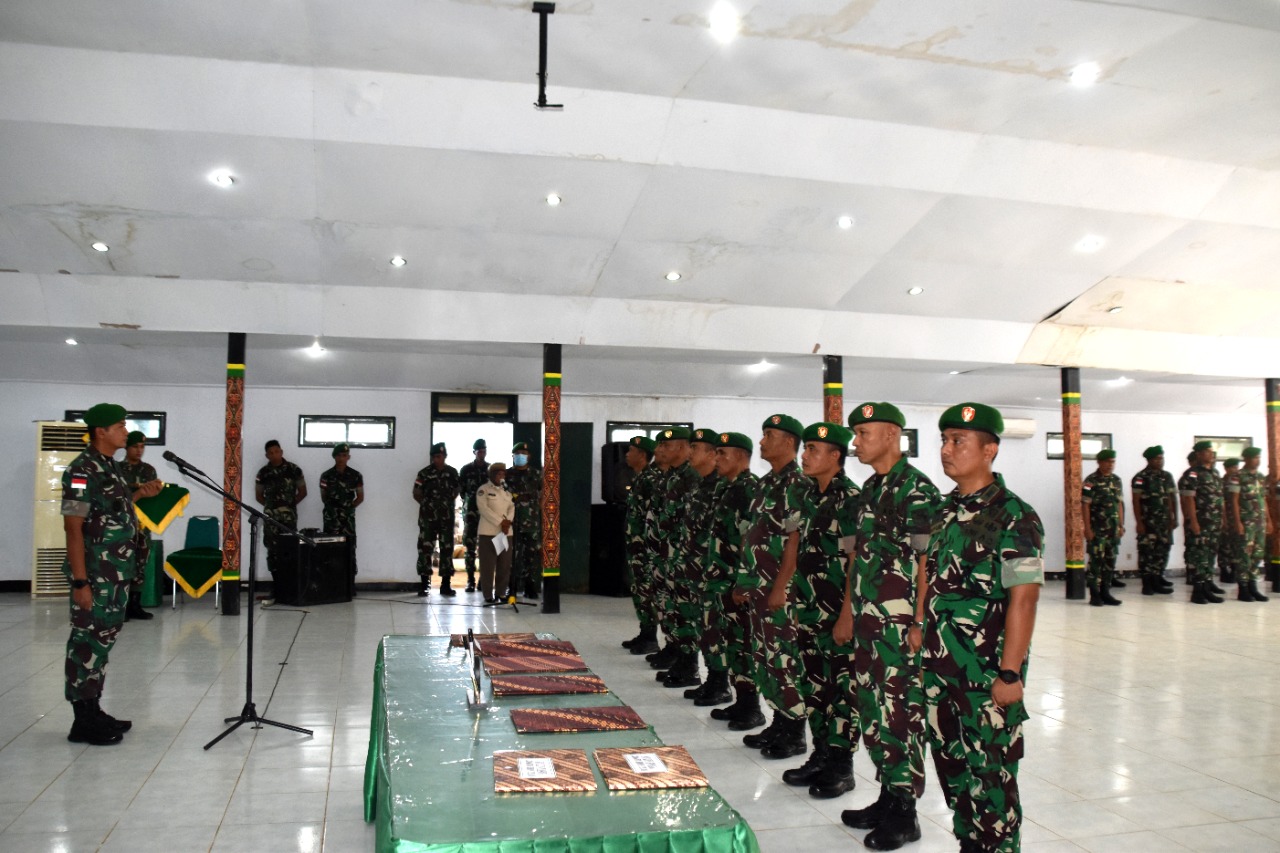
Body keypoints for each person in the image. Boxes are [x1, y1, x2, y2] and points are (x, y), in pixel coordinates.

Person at [923, 403, 1044, 853]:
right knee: (951, 762)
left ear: (990, 449)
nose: (947, 450)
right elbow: (927, 576)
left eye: (959, 442)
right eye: (945, 440)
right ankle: (969, 842)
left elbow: (1024, 597)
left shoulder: (1016, 515)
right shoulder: (942, 510)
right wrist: (918, 628)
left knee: (992, 771)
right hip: (939, 668)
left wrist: (1010, 672)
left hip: (987, 672)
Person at [840, 403, 941, 846]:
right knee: (873, 712)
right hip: (868, 623)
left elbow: (927, 563)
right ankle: (887, 794)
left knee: (900, 714)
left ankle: (905, 812)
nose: (855, 441)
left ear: (892, 436)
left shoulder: (916, 490)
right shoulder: (871, 488)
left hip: (900, 629)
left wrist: (920, 621)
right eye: (856, 433)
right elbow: (856, 557)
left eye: (863, 433)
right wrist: (847, 610)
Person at [783, 422, 861, 801]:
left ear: (836, 456)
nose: (805, 455)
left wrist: (847, 614)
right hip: (809, 610)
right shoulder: (805, 494)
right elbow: (796, 548)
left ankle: (842, 767)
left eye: (813, 449)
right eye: (806, 448)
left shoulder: (851, 500)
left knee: (842, 690)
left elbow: (854, 560)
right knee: (813, 687)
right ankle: (822, 754)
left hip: (837, 614)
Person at [61, 403, 140, 745]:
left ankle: (92, 710)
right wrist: (80, 582)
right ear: (100, 432)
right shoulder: (81, 471)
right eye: (120, 426)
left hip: (115, 576)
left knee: (102, 643)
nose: (126, 430)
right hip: (94, 575)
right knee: (85, 643)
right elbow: (73, 527)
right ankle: (82, 721)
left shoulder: (111, 467)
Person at [735, 414, 809, 760]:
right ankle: (779, 720)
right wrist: (745, 581)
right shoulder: (765, 484)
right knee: (764, 658)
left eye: (770, 435)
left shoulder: (798, 484)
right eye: (763, 434)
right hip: (759, 588)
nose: (762, 441)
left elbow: (795, 541)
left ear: (790, 443)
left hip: (782, 592)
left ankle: (794, 731)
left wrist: (780, 587)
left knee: (783, 659)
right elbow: (751, 536)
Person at [705, 432, 762, 725]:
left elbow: (750, 540)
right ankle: (741, 701)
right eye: (715, 454)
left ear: (741, 457)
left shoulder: (748, 490)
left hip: (737, 584)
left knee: (744, 644)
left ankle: (752, 708)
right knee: (731, 644)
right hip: (722, 580)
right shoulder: (727, 488)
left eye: (722, 454)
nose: (717, 460)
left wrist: (744, 582)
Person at [666, 428, 720, 691]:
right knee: (690, 618)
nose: (690, 452)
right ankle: (689, 666)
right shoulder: (702, 486)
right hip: (690, 566)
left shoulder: (719, 488)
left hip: (711, 573)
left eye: (695, 448)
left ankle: (719, 683)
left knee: (713, 629)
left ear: (712, 454)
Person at [647, 427, 701, 683]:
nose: (659, 450)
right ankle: (676, 652)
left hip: (682, 556)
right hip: (666, 554)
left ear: (682, 448)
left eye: (666, 446)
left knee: (684, 610)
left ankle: (689, 665)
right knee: (669, 607)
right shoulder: (670, 477)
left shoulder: (692, 477)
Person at [620, 436, 661, 653]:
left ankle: (651, 638)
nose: (627, 454)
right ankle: (645, 632)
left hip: (646, 547)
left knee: (646, 590)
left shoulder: (651, 479)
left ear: (642, 455)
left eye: (631, 450)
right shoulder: (639, 478)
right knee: (639, 590)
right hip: (636, 545)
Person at [255, 439, 307, 603]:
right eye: (271, 453)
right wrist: (273, 509)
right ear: (267, 455)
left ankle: (290, 588)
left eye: (277, 451)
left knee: (289, 550)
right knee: (272, 551)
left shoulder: (294, 470)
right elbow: (259, 495)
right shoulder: (263, 473)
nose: (274, 455)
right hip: (270, 519)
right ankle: (276, 588)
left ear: (281, 452)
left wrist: (288, 507)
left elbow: (303, 492)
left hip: (288, 519)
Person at [119, 430, 162, 621]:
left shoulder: (148, 470)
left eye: (142, 447)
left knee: (140, 563)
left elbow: (152, 494)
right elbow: (119, 494)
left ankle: (135, 605)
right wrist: (137, 488)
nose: (139, 450)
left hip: (142, 524)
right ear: (127, 447)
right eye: (135, 446)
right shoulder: (117, 468)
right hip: (121, 524)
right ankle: (122, 606)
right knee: (122, 563)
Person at [1180, 440, 1226, 604]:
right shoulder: (1192, 474)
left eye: (1211, 451)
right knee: (1200, 556)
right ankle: (1198, 592)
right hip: (1200, 522)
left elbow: (1220, 499)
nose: (1211, 454)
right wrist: (1193, 522)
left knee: (1210, 556)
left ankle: (1207, 588)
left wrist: (1222, 519)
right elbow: (1188, 499)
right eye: (1207, 451)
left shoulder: (1215, 473)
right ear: (1199, 454)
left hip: (1213, 524)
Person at [414, 442, 460, 596]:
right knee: (425, 549)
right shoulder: (424, 473)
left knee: (447, 549)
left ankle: (445, 584)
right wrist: (428, 506)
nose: (436, 459)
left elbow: (456, 490)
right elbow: (416, 492)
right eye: (434, 457)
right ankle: (424, 583)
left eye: (439, 456)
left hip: (446, 518)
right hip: (428, 519)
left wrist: (444, 504)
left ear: (445, 456)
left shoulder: (452, 472)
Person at [1131, 446, 1176, 596]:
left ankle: (1157, 580)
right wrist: (1139, 522)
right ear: (1149, 460)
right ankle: (1147, 583)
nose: (1160, 461)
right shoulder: (1140, 477)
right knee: (1147, 553)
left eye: (1161, 458)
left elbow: (1171, 498)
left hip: (1164, 523)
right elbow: (1136, 501)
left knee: (1163, 550)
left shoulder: (1167, 476)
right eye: (1156, 458)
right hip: (1148, 522)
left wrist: (1173, 516)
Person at [1082, 449, 1124, 606]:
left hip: (1113, 530)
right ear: (1099, 462)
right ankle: (1094, 594)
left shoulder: (1116, 480)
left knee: (1110, 561)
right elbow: (1085, 505)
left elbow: (1119, 504)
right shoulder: (1091, 481)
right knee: (1096, 562)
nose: (1110, 465)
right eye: (1107, 462)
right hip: (1097, 530)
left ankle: (1106, 592)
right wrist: (1087, 528)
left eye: (1112, 462)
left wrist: (1121, 525)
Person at [319, 442, 363, 588]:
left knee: (349, 549)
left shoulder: (356, 475)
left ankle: (350, 585)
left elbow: (360, 497)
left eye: (344, 455)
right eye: (339, 455)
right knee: (330, 549)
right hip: (331, 519)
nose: (341, 458)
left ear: (348, 457)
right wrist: (334, 509)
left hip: (348, 520)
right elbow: (324, 497)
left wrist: (348, 509)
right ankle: (332, 585)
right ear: (334, 456)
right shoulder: (326, 476)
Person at [1231, 447, 1272, 601]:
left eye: (1259, 457)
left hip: (1259, 522)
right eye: (1255, 457)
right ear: (1246, 459)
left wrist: (1268, 520)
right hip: (1246, 522)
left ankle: (1253, 586)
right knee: (1244, 555)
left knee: (1258, 554)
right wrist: (1237, 522)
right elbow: (1234, 500)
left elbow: (1264, 500)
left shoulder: (1261, 477)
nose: (1258, 460)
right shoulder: (1238, 476)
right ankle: (1243, 588)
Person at [506, 442, 543, 600]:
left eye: (524, 453)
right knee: (511, 555)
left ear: (529, 456)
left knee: (531, 555)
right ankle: (511, 587)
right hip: (512, 522)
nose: (521, 456)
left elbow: (544, 494)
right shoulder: (507, 475)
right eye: (517, 453)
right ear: (513, 456)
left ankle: (530, 586)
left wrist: (537, 510)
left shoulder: (536, 474)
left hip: (531, 522)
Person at [476, 462, 515, 604]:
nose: (501, 476)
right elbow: (484, 509)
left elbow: (512, 508)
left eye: (503, 474)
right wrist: (501, 522)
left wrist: (508, 522)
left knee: (504, 565)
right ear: (491, 475)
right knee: (488, 565)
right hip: (488, 532)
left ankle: (501, 593)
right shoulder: (483, 490)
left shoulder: (507, 492)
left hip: (505, 533)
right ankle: (487, 594)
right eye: (498, 474)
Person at [458, 439, 490, 593]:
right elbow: (462, 492)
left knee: (485, 548)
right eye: (479, 451)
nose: (481, 454)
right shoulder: (465, 470)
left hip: (487, 516)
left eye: (484, 451)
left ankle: (483, 580)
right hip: (471, 514)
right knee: (470, 548)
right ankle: (470, 580)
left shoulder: (490, 470)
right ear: (474, 452)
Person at [1219, 458, 1242, 584]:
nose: (1235, 469)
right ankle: (1224, 570)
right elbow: (1221, 502)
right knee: (1224, 546)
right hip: (1225, 517)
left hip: (1236, 518)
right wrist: (1224, 519)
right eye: (1233, 467)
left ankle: (1234, 570)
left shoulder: (1238, 481)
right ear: (1226, 469)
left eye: (1237, 467)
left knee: (1235, 545)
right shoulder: (1222, 483)